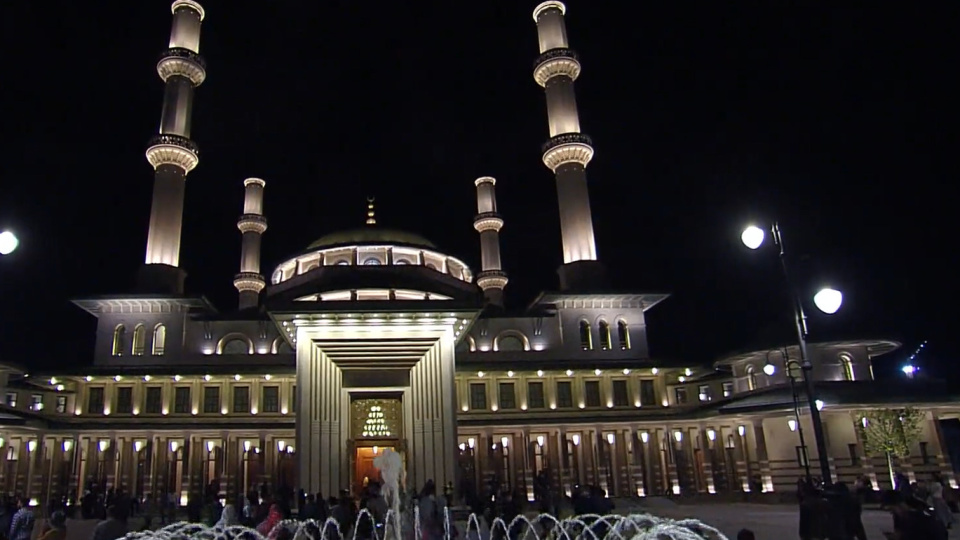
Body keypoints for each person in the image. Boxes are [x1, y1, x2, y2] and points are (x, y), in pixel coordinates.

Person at [881, 489, 947, 540]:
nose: (891, 513)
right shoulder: (900, 517)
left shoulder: (921, 516)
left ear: (900, 505)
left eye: (892, 509)